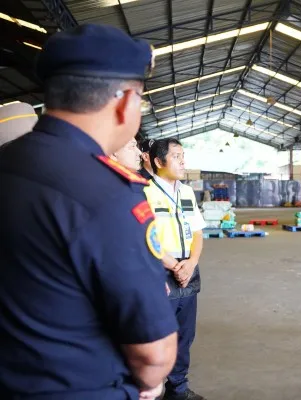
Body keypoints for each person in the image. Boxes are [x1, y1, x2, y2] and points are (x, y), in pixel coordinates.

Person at [0, 23, 178, 399]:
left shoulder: (10, 163)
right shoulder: (109, 195)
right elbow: (154, 354)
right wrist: (152, 383)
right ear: (126, 102)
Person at [145, 138, 207, 400]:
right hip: (160, 271)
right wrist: (171, 264)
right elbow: (143, 236)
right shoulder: (144, 191)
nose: (183, 161)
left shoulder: (187, 192)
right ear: (159, 162)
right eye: (176, 156)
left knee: (184, 337)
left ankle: (178, 390)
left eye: (184, 155)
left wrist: (190, 263)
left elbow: (197, 233)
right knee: (155, 337)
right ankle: (147, 391)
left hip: (188, 272)